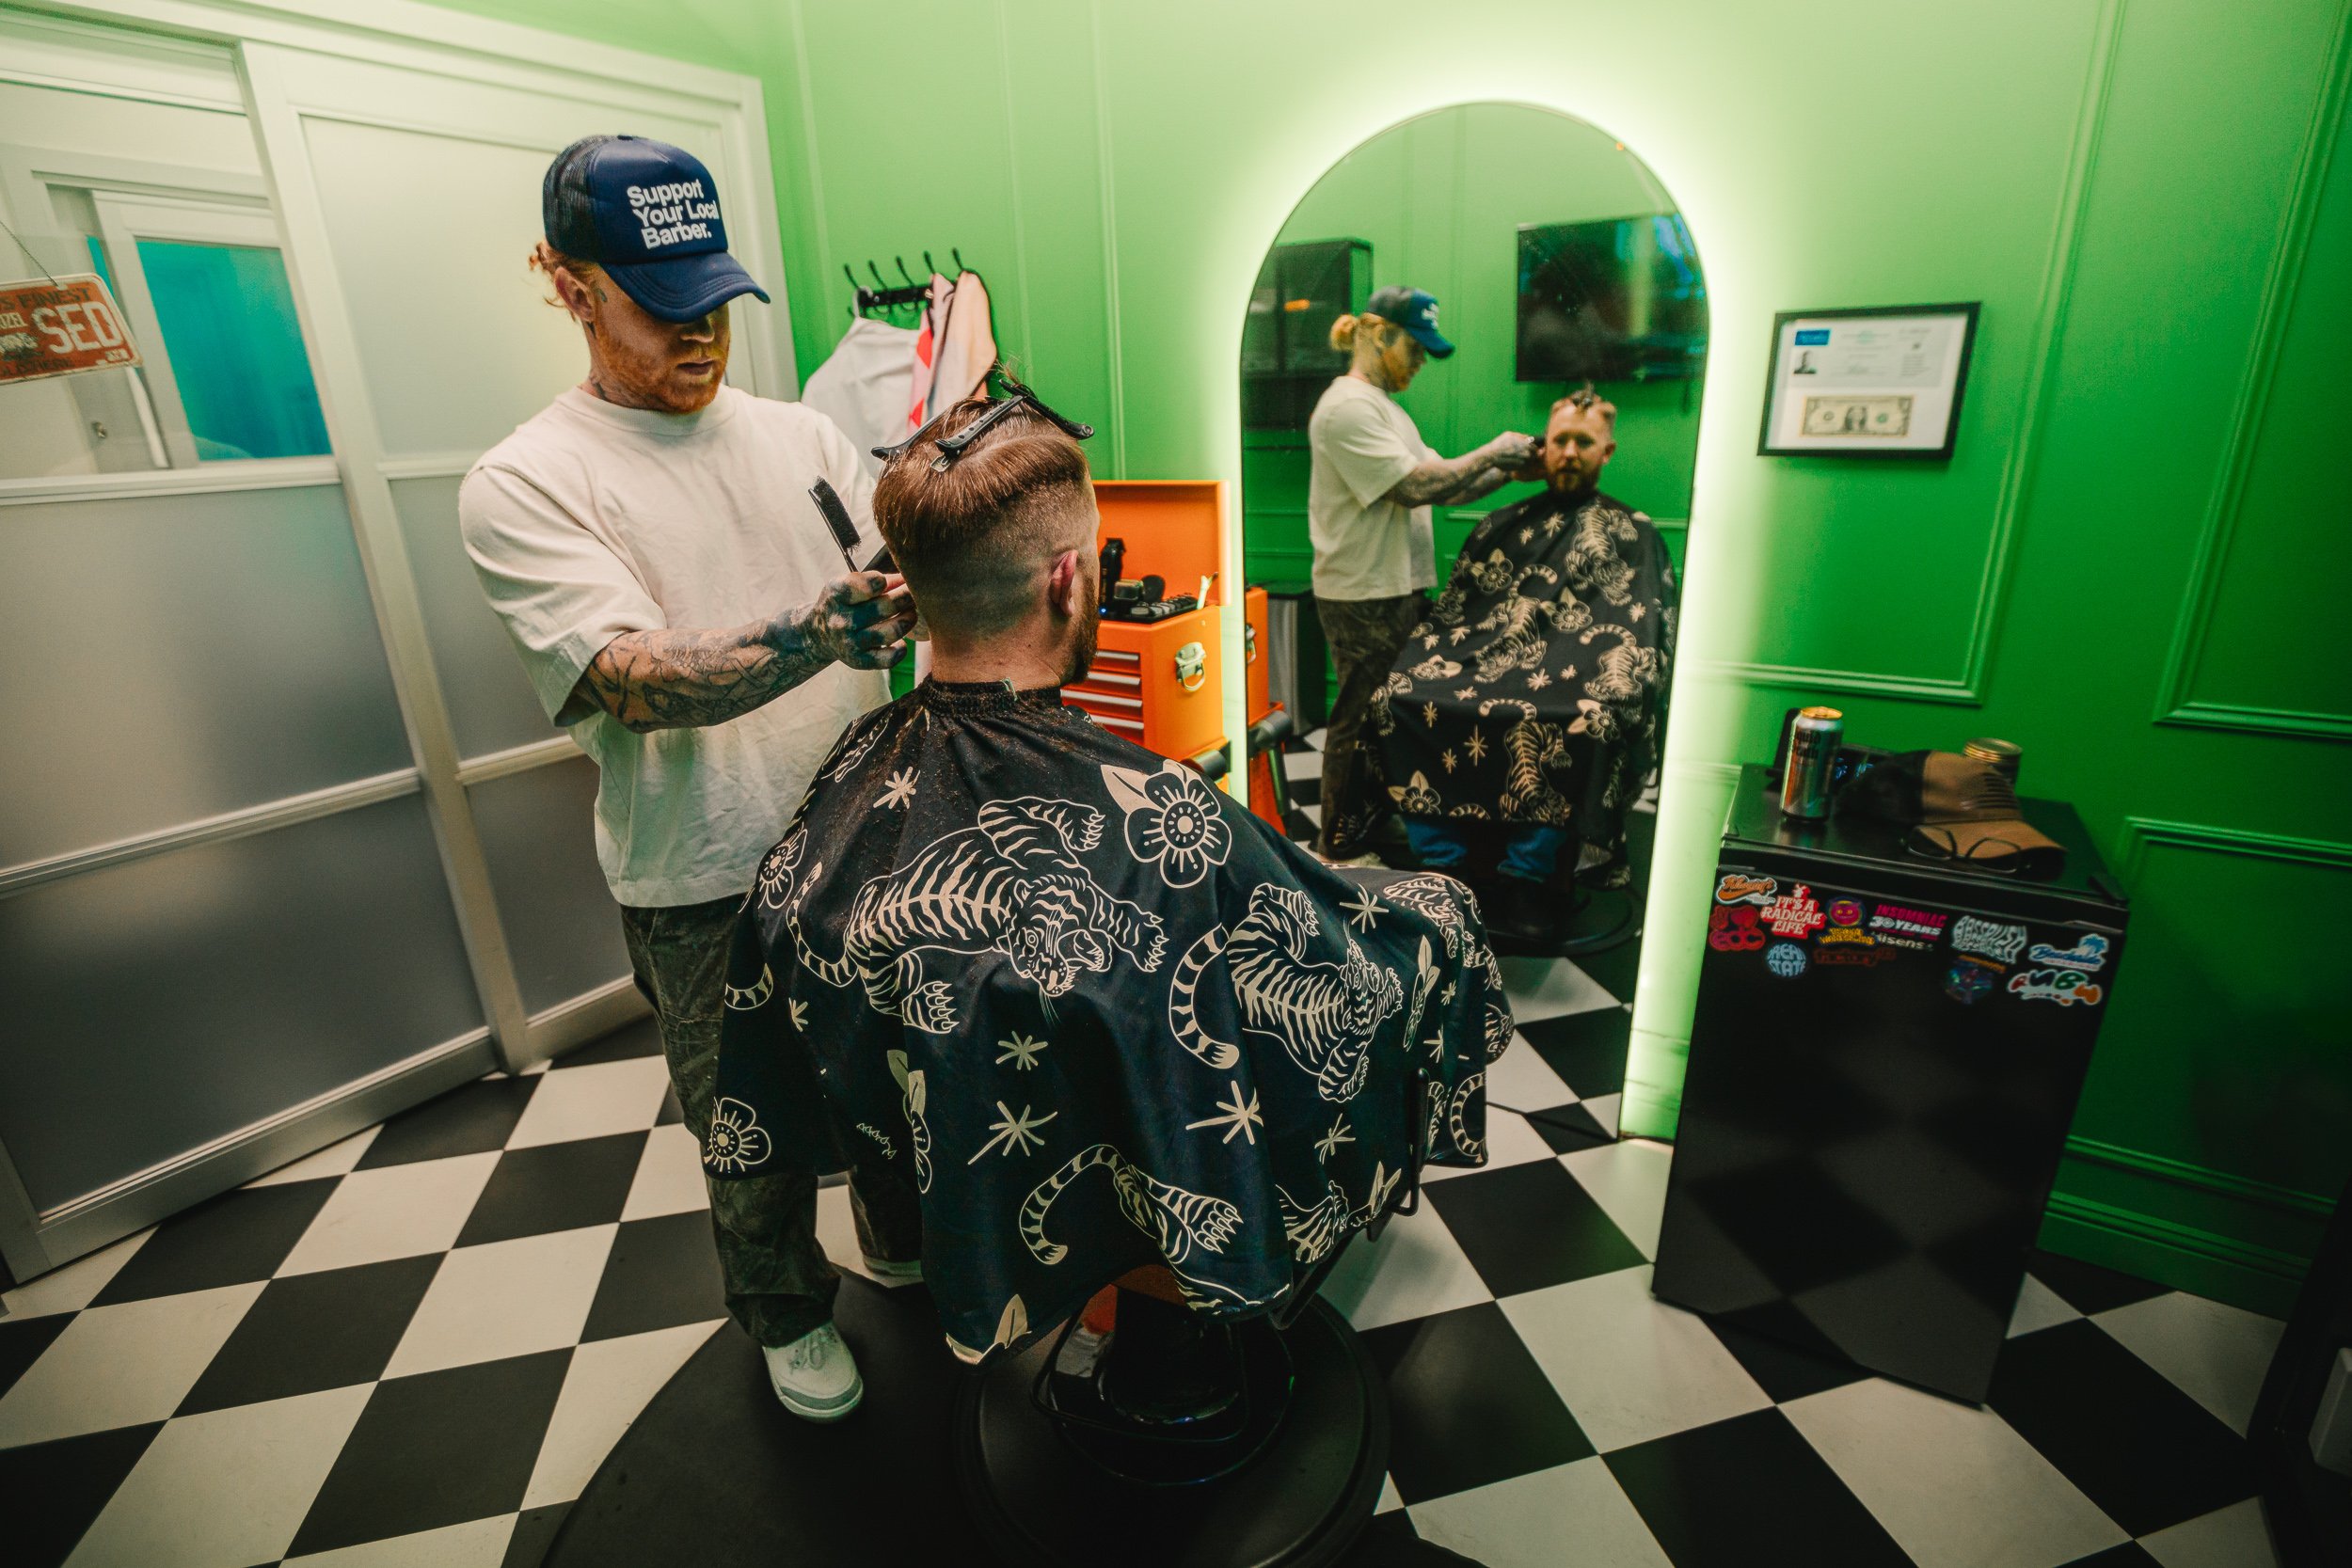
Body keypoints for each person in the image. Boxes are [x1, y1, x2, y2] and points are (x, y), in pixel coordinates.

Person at [703, 376, 1508, 1389]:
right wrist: (1426, 914)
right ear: (1070, 579)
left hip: (965, 1136)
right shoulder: (1153, 805)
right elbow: (1307, 967)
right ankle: (1178, 1282)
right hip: (1141, 1131)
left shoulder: (853, 770)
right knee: (1433, 917)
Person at [458, 134, 922, 1420]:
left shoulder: (805, 435)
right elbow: (628, 675)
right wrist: (818, 633)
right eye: (663, 305)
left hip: (864, 843)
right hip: (701, 875)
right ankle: (783, 1312)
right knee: (752, 1129)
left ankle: (900, 1232)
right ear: (568, 284)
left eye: (713, 295)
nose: (701, 331)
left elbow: (899, 565)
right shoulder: (527, 482)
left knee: (893, 1072)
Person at [1370, 388, 1677, 942]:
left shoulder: (1637, 533)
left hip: (1575, 679)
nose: (1569, 453)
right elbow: (1457, 615)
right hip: (1484, 664)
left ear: (1607, 452)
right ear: (1542, 447)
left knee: (1586, 717)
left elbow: (1642, 633)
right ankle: (1444, 866)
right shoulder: (1501, 523)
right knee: (1397, 697)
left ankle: (1527, 877)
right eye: (1559, 440)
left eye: (1584, 443)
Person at [1306, 285, 1539, 865]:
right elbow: (1415, 487)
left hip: (1397, 587)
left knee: (1389, 716)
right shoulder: (1346, 408)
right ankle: (1334, 842)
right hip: (1363, 592)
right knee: (1357, 718)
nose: (1418, 363)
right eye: (1414, 348)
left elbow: (1446, 482)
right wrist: (1492, 450)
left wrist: (1511, 471)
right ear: (1379, 334)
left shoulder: (1388, 411)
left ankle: (1370, 820)